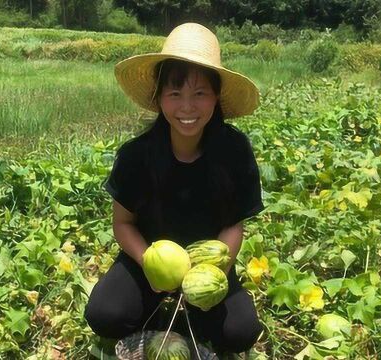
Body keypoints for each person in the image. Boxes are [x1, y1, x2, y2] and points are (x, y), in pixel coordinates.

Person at [84, 22, 264, 356]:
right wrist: (149, 265)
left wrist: (214, 273)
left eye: (200, 93)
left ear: (216, 97)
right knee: (104, 315)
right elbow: (122, 224)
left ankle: (185, 318)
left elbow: (234, 224)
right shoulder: (136, 155)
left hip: (207, 267)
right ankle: (164, 308)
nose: (187, 107)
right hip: (148, 264)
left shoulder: (234, 151)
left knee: (241, 332)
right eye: (175, 93)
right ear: (159, 98)